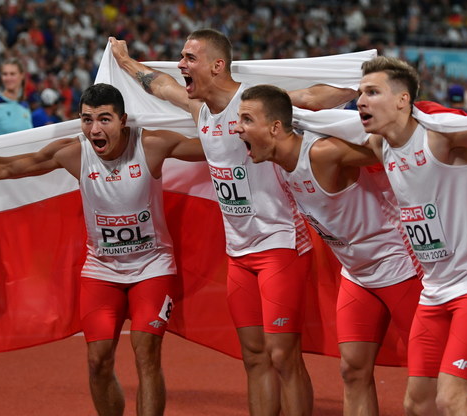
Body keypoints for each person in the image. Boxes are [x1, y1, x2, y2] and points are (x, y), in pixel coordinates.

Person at [110, 29, 357, 416]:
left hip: (280, 246)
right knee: (255, 356)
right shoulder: (200, 110)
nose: (181, 64)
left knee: (282, 355)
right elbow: (160, 86)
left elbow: (309, 98)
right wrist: (125, 62)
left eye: (189, 58)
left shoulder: (252, 102)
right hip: (239, 254)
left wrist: (363, 83)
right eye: (181, 57)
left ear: (217, 65)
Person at [0, 83, 205, 416]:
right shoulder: (74, 152)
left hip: (152, 267)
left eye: (104, 119)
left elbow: (213, 148)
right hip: (102, 272)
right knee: (97, 361)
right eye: (87, 120)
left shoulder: (151, 144)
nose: (95, 129)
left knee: (146, 351)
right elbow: (10, 168)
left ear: (123, 120)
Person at [235, 84, 422, 416]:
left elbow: (393, 146)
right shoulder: (275, 161)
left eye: (246, 120)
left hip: (400, 266)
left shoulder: (322, 153)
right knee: (352, 370)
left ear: (275, 128)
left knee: (428, 377)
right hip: (358, 275)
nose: (237, 129)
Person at [355, 56, 467, 416]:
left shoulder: (442, 138)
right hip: (434, 290)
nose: (361, 100)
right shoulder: (381, 147)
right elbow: (329, 124)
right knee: (417, 404)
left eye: (372, 91)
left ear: (402, 99)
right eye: (359, 92)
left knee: (453, 399)